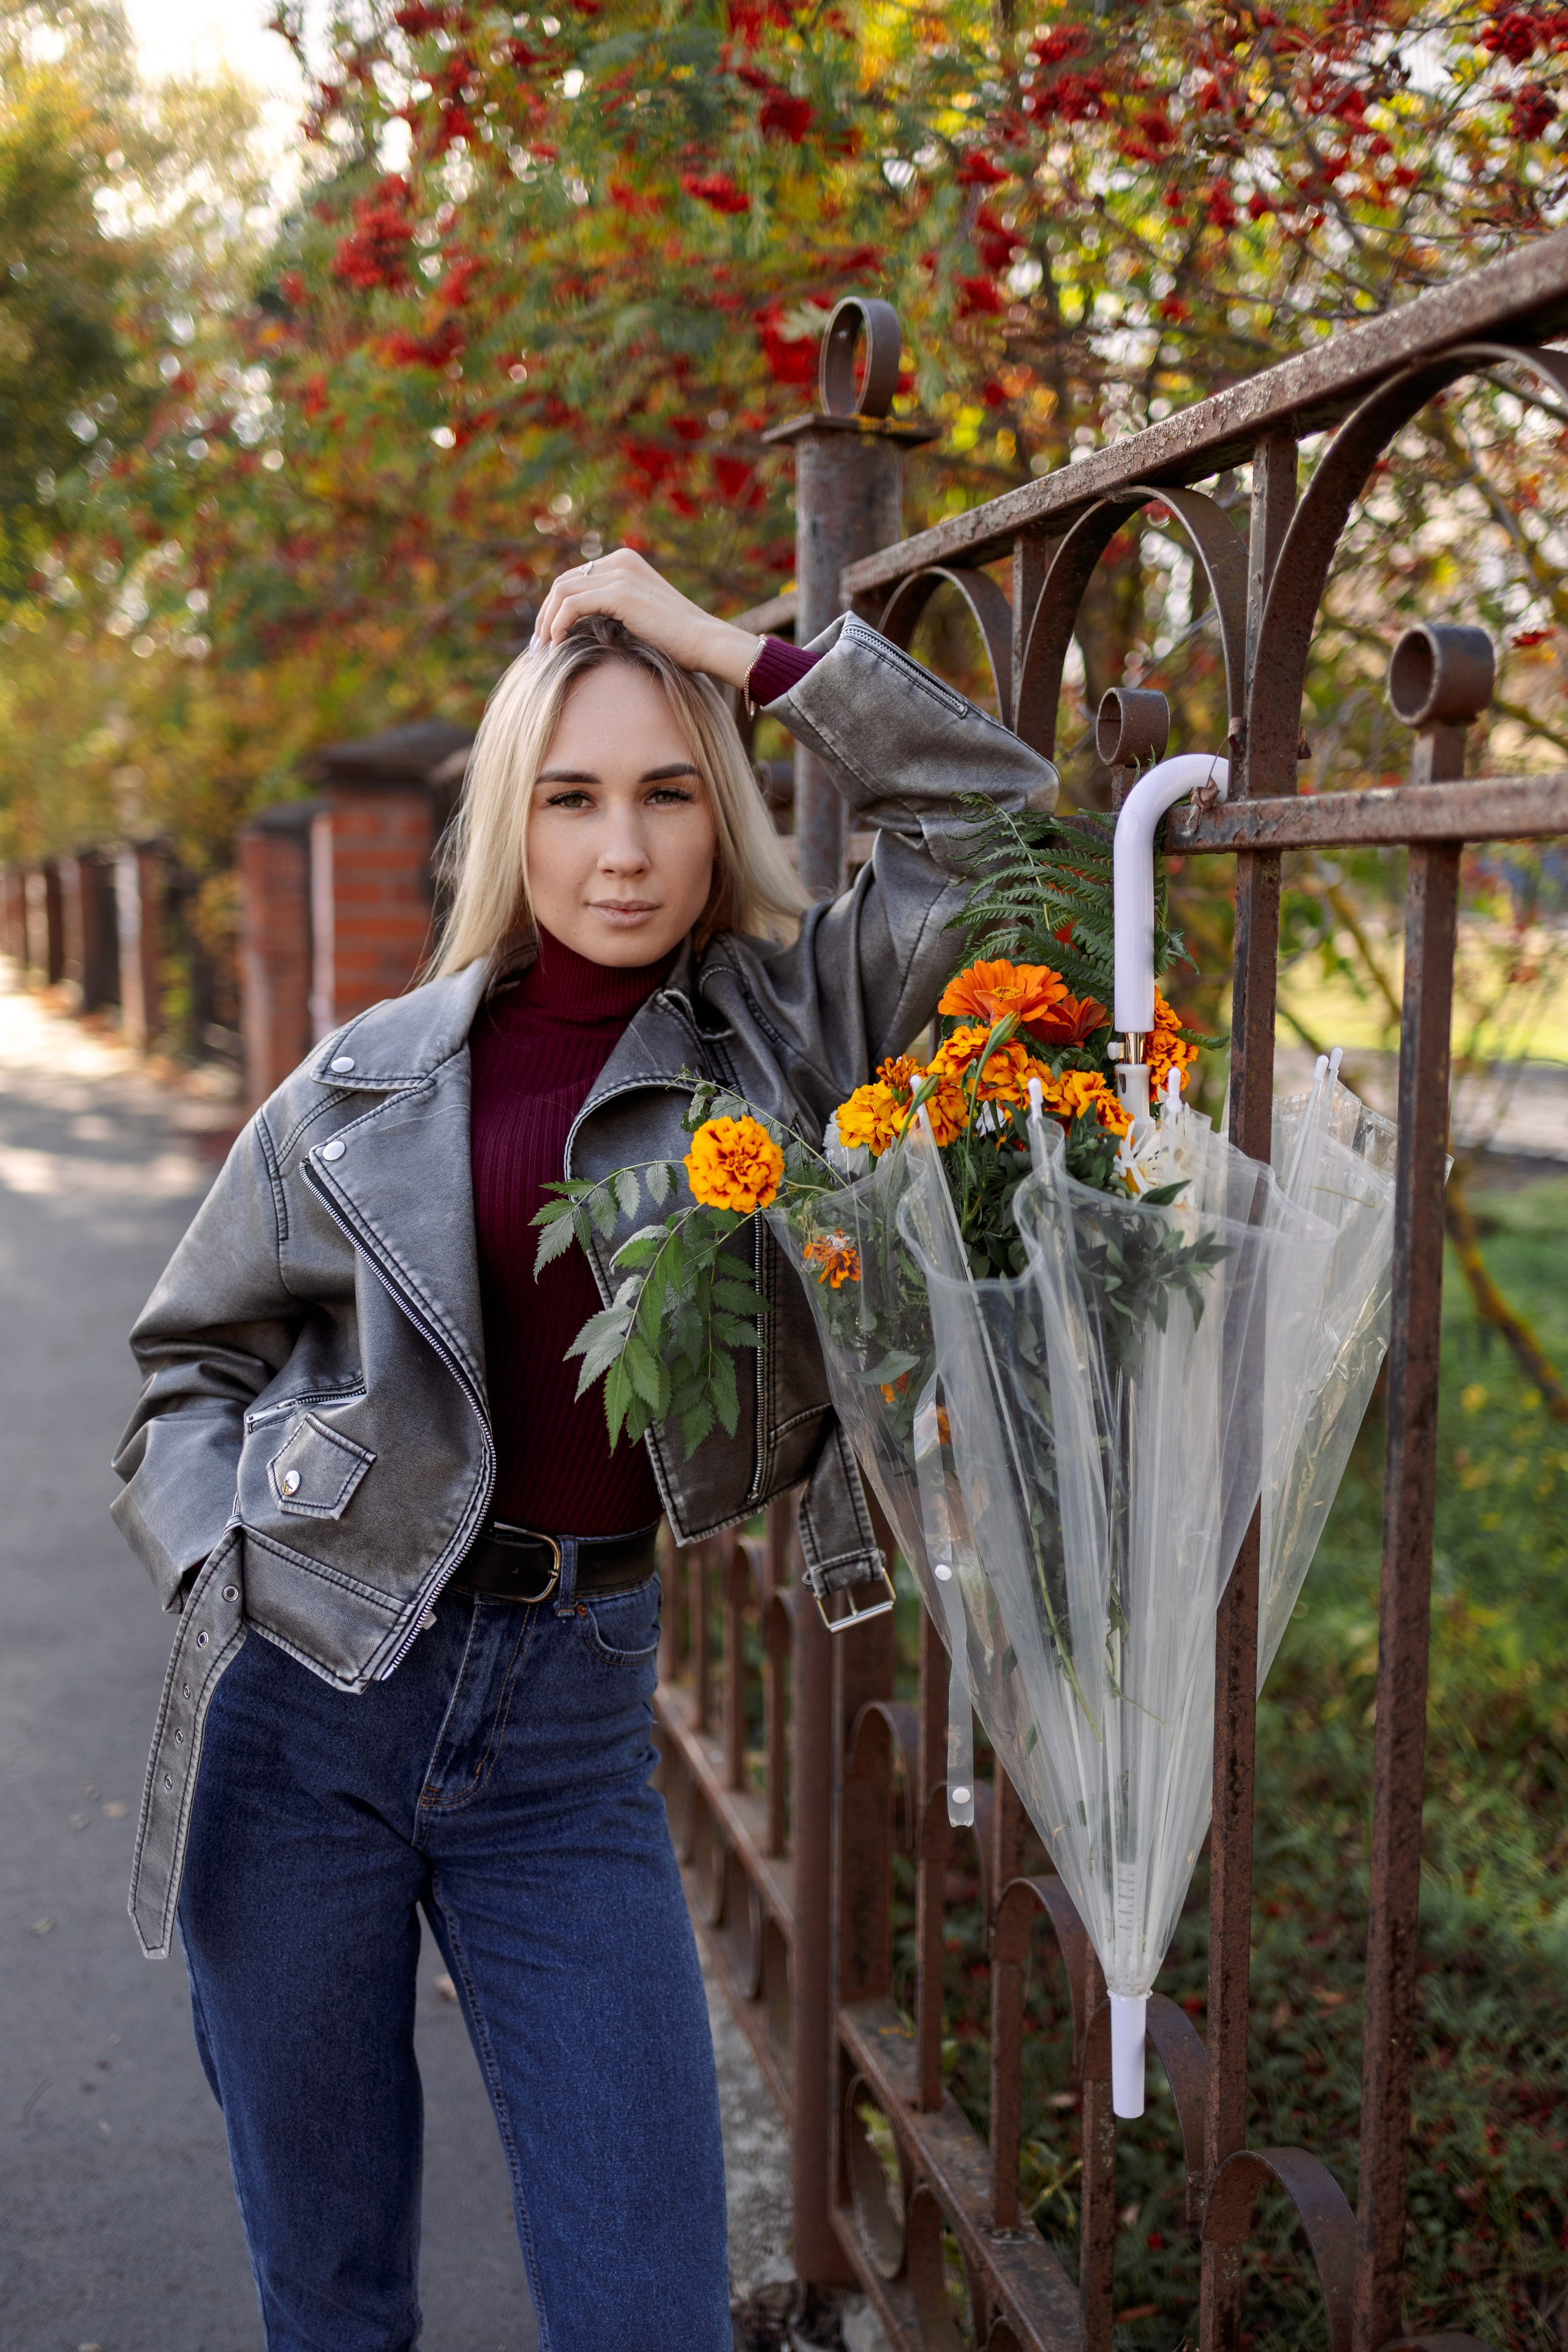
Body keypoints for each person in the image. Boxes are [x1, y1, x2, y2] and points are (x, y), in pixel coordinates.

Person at [110, 549, 1057, 2352]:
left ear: (722, 819)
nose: (620, 852)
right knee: (333, 2298)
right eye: (571, 799)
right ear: (508, 827)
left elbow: (992, 810)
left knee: (650, 2308)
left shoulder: (793, 1032)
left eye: (668, 793)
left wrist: (720, 646)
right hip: (307, 1711)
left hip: (570, 1741)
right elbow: (187, 1365)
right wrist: (226, 1554)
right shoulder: (358, 1086)